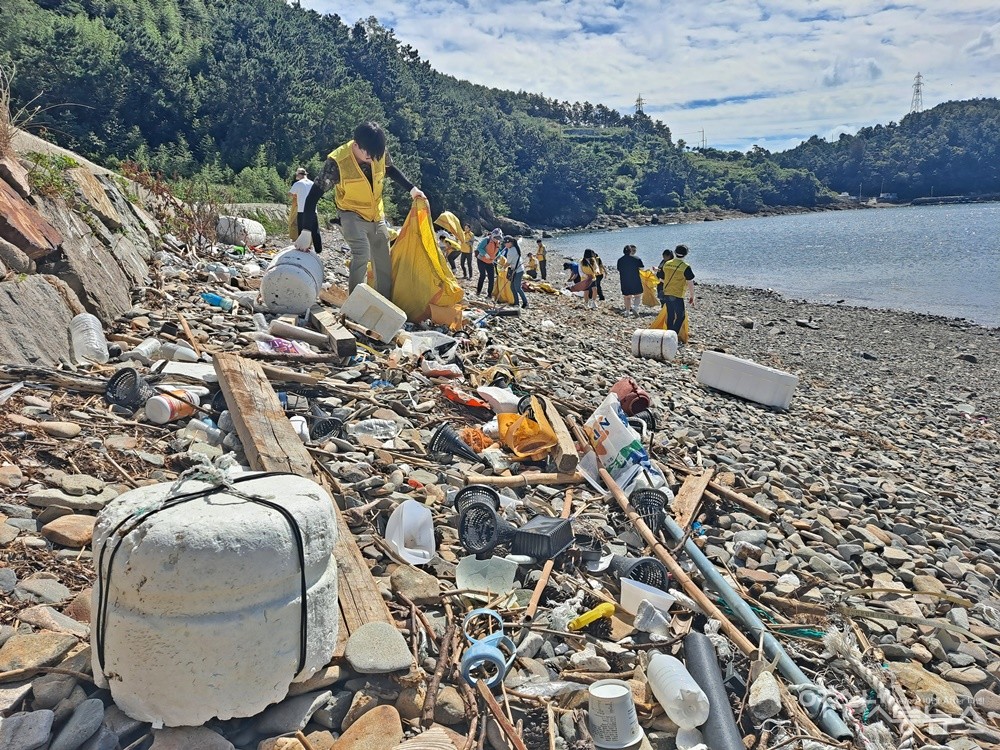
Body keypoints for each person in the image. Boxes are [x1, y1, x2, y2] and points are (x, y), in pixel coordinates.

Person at [306, 121, 425, 298]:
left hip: (376, 212)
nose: (373, 158)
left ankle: (384, 300)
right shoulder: (337, 163)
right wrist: (306, 231)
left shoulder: (378, 151)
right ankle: (356, 301)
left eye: (377, 155)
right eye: (368, 155)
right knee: (361, 253)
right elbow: (313, 196)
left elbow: (390, 169)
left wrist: (412, 189)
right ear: (356, 145)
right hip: (350, 212)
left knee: (383, 258)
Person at [657, 244, 695, 334]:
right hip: (678, 293)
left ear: (675, 252)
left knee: (670, 315)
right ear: (686, 254)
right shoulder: (685, 266)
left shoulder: (667, 263)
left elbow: (661, 278)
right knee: (680, 316)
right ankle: (673, 334)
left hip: (667, 292)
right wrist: (692, 296)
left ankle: (668, 333)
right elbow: (690, 282)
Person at [288, 167, 321, 252]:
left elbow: (290, 194)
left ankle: (302, 248)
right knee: (315, 230)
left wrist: (296, 195)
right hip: (313, 210)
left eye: (296, 174)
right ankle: (318, 249)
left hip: (302, 210)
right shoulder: (313, 183)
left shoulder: (298, 183)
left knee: (302, 229)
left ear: (299, 175)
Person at [500, 236, 529, 308]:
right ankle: (516, 303)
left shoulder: (512, 251)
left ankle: (526, 303)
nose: (505, 245)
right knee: (512, 287)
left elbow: (508, 262)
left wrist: (503, 268)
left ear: (510, 243)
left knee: (517, 287)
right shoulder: (514, 247)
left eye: (506, 243)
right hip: (515, 270)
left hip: (518, 271)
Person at [617, 244, 644, 316]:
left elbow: (619, 269)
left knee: (627, 297)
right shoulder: (636, 259)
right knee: (637, 296)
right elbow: (642, 268)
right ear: (630, 251)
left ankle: (627, 311)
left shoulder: (620, 260)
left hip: (625, 280)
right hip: (635, 280)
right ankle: (635, 307)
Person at [475, 228, 502, 297]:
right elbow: (479, 248)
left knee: (491, 278)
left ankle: (489, 294)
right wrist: (485, 254)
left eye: (498, 238)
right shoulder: (486, 240)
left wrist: (499, 256)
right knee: (482, 276)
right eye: (496, 237)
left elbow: (498, 251)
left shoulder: (498, 243)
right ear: (493, 235)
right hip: (481, 260)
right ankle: (478, 291)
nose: (497, 239)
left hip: (490, 262)